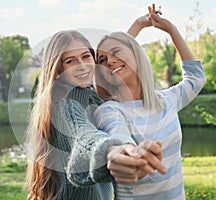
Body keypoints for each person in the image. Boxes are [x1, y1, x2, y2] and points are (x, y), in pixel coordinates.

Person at [25, 10, 166, 200]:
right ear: (58, 70)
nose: (82, 66)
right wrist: (112, 151)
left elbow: (114, 60)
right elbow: (84, 136)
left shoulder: (92, 95)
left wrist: (137, 26)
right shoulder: (64, 104)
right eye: (70, 61)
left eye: (86, 56)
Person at [94, 4, 206, 200]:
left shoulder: (166, 100)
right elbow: (118, 138)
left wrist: (172, 30)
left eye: (115, 53)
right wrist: (128, 153)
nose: (109, 62)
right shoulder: (110, 110)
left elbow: (195, 78)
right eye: (102, 60)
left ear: (136, 52)